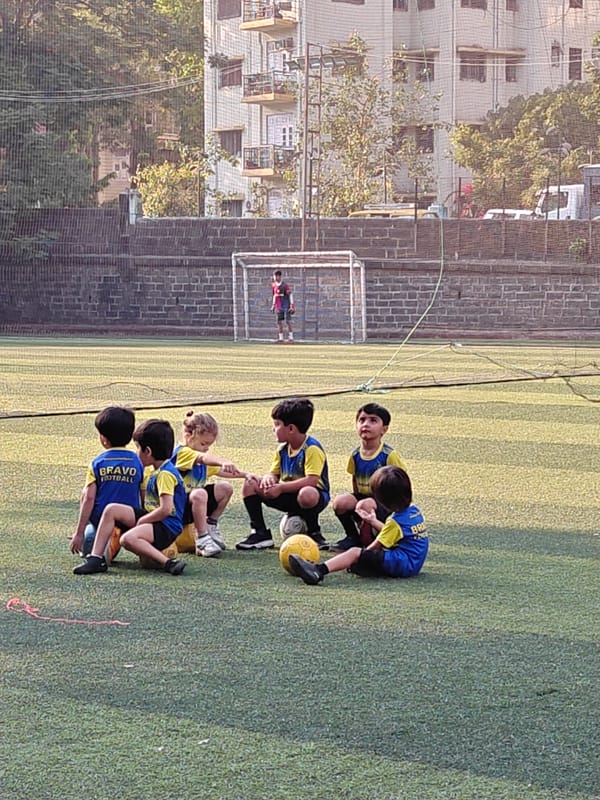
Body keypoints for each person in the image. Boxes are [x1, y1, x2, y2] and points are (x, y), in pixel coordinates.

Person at [73, 419, 187, 575]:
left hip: (166, 527)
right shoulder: (158, 470)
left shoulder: (165, 474)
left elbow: (166, 509)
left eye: (138, 448)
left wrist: (143, 520)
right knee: (111, 509)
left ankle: (168, 563)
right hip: (155, 520)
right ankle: (96, 558)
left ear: (148, 451)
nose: (136, 453)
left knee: (127, 539)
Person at [289, 465, 428, 585]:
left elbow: (375, 546)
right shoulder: (413, 511)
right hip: (413, 563)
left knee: (355, 552)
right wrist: (373, 521)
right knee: (359, 559)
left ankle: (318, 571)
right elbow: (396, 534)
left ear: (381, 500)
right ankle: (366, 569)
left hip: (403, 564)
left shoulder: (395, 521)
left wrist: (360, 556)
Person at [236, 397, 330, 551]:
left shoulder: (312, 449)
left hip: (313, 497)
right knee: (250, 483)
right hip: (288, 493)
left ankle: (314, 533)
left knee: (307, 493)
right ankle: (260, 533)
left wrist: (280, 488)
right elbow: (274, 474)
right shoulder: (282, 449)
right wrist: (268, 479)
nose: (274, 429)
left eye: (277, 425)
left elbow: (311, 481)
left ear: (291, 428)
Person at [332, 402, 407, 552]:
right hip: (364, 499)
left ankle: (367, 540)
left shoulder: (389, 455)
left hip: (385, 503)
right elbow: (355, 480)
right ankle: (352, 537)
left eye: (373, 420)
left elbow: (402, 481)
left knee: (364, 505)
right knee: (340, 502)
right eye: (362, 420)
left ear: (384, 429)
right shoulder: (355, 454)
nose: (366, 424)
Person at [70, 406, 144, 558]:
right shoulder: (139, 462)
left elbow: (89, 498)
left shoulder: (97, 463)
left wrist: (79, 533)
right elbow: (144, 496)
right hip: (131, 521)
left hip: (101, 521)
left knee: (86, 492)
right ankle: (117, 540)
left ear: (103, 439)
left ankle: (103, 543)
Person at [171, 410, 246, 558]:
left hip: (193, 507)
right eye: (204, 443)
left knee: (225, 488)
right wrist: (223, 461)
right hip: (177, 508)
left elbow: (222, 471)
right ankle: (202, 538)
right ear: (188, 435)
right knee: (200, 493)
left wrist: (247, 475)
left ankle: (211, 524)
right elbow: (203, 458)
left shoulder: (203, 459)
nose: (206, 448)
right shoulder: (182, 453)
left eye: (209, 445)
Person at [271, 269, 295, 343]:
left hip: (286, 305)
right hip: (279, 306)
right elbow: (274, 295)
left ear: (279, 276)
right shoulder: (273, 285)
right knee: (279, 321)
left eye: (275, 276)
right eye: (274, 276)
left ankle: (291, 338)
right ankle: (281, 338)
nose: (274, 277)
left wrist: (292, 306)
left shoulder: (285, 285)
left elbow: (290, 295)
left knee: (288, 321)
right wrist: (273, 305)